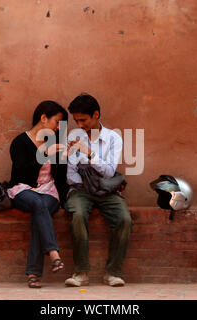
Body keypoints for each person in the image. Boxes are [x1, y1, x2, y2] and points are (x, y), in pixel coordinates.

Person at [64, 94, 132, 287]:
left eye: (83, 119)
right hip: (80, 190)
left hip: (107, 190)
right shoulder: (73, 137)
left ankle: (113, 272)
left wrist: (89, 154)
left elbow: (110, 172)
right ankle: (81, 273)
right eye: (76, 120)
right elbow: (71, 174)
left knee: (124, 219)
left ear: (96, 115)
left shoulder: (113, 138)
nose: (79, 124)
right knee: (77, 215)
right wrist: (87, 182)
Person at [8, 100, 69, 288]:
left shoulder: (56, 143)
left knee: (40, 208)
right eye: (57, 122)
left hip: (49, 192)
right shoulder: (20, 142)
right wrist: (43, 154)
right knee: (37, 204)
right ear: (43, 118)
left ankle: (35, 273)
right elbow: (21, 174)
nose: (59, 128)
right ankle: (53, 253)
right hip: (23, 190)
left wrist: (65, 203)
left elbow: (62, 176)